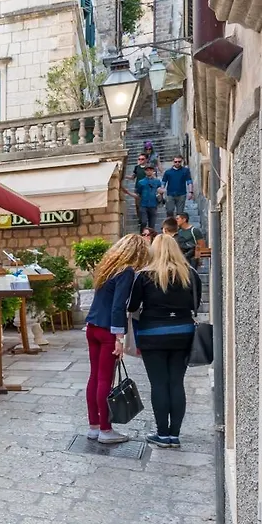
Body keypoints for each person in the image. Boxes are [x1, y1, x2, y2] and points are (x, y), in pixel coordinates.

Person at [127, 234, 202, 449]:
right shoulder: (190, 274)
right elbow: (196, 304)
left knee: (159, 383)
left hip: (152, 334)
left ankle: (162, 433)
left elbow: (132, 306)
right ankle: (174, 435)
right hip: (183, 333)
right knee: (176, 383)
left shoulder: (144, 276)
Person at [83, 234, 151, 444]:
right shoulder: (126, 272)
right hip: (107, 331)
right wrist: (119, 338)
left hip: (93, 326)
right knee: (105, 379)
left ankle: (94, 426)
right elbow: (118, 306)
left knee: (94, 377)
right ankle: (106, 429)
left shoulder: (107, 268)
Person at [129, 166, 163, 233]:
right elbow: (138, 193)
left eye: (150, 170)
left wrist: (160, 197)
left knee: (152, 225)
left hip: (153, 204)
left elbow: (160, 191)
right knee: (143, 222)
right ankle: (142, 234)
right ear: (145, 171)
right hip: (143, 205)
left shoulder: (157, 181)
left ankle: (151, 237)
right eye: (147, 170)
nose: (149, 171)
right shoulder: (141, 182)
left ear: (153, 171)